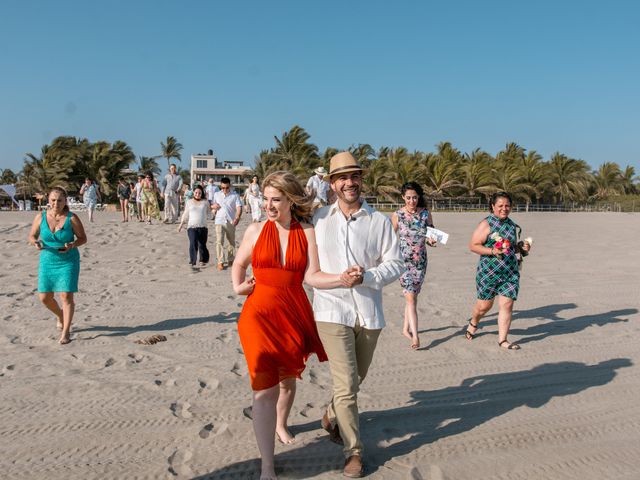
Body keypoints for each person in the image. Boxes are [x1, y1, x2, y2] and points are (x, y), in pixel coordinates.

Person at [232, 171, 360, 480]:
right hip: (258, 315)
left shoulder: (307, 232)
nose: (269, 206)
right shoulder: (255, 229)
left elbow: (311, 276)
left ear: (291, 200)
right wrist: (238, 286)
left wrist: (340, 278)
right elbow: (239, 263)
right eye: (265, 199)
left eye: (275, 199)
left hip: (293, 312)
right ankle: (267, 465)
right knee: (264, 387)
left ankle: (280, 423)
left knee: (288, 380)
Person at [312, 151, 404, 477]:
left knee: (355, 381)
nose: (349, 183)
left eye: (354, 177)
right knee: (348, 383)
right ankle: (354, 451)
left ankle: (330, 414)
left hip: (368, 312)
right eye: (342, 178)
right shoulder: (318, 219)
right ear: (333, 184)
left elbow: (396, 263)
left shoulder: (379, 221)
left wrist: (369, 276)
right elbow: (308, 267)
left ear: (361, 180)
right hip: (330, 309)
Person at [464, 191, 532, 350]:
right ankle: (474, 322)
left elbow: (512, 248)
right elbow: (473, 245)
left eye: (507, 205)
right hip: (488, 272)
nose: (504, 208)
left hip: (510, 272)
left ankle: (503, 340)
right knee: (484, 307)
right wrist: (493, 251)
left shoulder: (512, 225)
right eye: (500, 205)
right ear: (493, 206)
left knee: (507, 304)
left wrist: (522, 248)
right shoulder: (486, 224)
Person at [28, 187, 87, 344]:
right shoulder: (40, 217)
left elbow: (83, 238)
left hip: (68, 261)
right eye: (53, 200)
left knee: (66, 296)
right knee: (44, 297)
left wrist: (72, 244)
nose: (56, 203)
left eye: (59, 200)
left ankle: (66, 332)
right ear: (48, 200)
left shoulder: (72, 218)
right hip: (47, 260)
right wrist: (36, 242)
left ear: (65, 201)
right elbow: (32, 236)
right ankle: (60, 315)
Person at [391, 182, 437, 350]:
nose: (412, 201)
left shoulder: (425, 213)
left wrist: (432, 240)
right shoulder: (397, 215)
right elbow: (389, 238)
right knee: (410, 297)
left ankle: (405, 329)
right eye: (409, 198)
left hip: (421, 260)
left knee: (412, 296)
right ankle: (415, 338)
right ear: (403, 197)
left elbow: (432, 235)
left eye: (415, 197)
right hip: (403, 261)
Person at [211, 177, 242, 270]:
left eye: (227, 188)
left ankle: (231, 259)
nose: (224, 190)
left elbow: (239, 207)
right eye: (223, 188)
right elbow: (212, 205)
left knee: (231, 241)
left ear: (230, 186)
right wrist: (213, 206)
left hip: (230, 221)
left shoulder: (235, 195)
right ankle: (220, 261)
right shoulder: (216, 194)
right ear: (220, 186)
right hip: (219, 220)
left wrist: (237, 217)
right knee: (219, 241)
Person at [177, 185, 210, 267]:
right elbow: (186, 214)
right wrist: (181, 225)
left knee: (202, 244)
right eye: (196, 192)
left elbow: (209, 213)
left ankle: (203, 260)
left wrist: (215, 211)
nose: (197, 194)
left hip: (203, 227)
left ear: (201, 193)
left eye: (199, 193)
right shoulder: (189, 202)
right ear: (193, 193)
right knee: (193, 242)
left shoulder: (205, 202)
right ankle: (193, 261)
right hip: (191, 227)